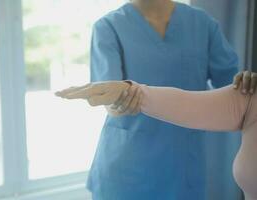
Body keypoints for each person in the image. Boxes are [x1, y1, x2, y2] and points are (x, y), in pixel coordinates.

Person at [89, 0, 238, 199]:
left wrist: (246, 82)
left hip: (183, 168)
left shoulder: (202, 24)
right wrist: (119, 102)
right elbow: (110, 100)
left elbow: (234, 88)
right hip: (127, 172)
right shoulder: (108, 27)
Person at [55, 71, 257, 200]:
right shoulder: (252, 96)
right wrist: (127, 91)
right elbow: (188, 103)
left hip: (181, 160)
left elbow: (225, 73)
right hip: (128, 161)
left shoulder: (200, 24)